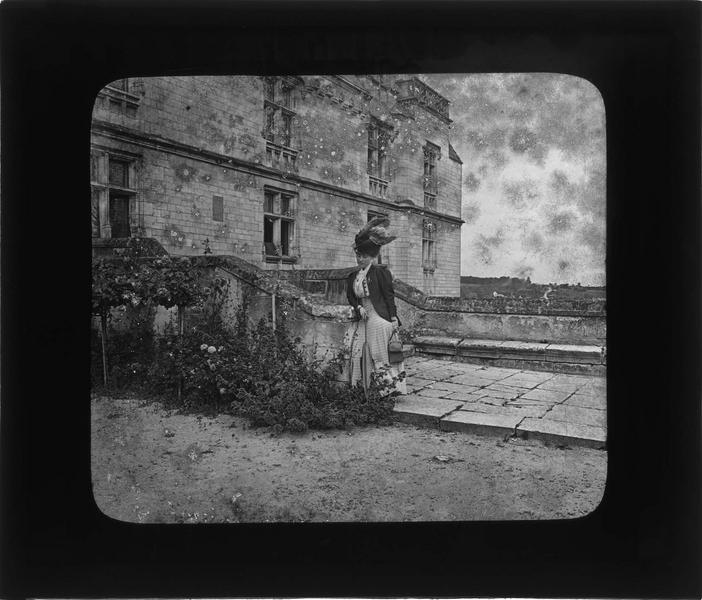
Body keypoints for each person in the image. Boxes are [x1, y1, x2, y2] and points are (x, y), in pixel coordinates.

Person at [346, 216, 407, 395]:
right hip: (362, 318)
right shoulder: (353, 276)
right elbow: (351, 296)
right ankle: (363, 388)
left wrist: (394, 318)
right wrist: (358, 307)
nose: (360, 260)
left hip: (379, 317)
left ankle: (386, 389)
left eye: (363, 256)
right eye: (358, 256)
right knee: (357, 352)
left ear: (371, 257)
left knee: (378, 354)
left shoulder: (380, 273)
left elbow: (389, 296)